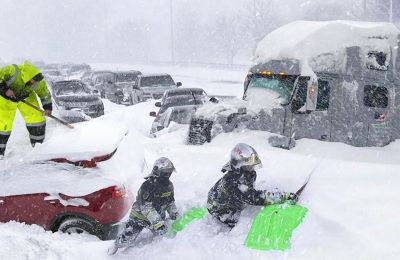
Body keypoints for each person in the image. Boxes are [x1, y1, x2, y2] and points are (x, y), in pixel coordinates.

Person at [207, 143, 298, 229]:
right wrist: (282, 196)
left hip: (232, 202)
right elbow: (254, 198)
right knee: (248, 222)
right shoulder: (233, 182)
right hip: (221, 211)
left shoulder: (245, 173)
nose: (252, 168)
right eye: (249, 166)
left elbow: (250, 194)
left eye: (253, 165)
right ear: (239, 164)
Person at [108, 157, 179, 255]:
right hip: (139, 218)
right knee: (127, 240)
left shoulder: (169, 186)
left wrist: (174, 213)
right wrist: (158, 224)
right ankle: (116, 244)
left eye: (169, 172)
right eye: (165, 173)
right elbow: (146, 207)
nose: (168, 175)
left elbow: (170, 202)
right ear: (158, 172)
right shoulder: (148, 186)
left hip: (157, 218)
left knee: (162, 238)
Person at [0, 61, 52, 158]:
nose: (35, 83)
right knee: (3, 125)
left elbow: (45, 94)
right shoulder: (13, 70)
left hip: (25, 96)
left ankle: (38, 147)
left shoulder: (38, 81)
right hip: (5, 98)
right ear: (28, 77)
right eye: (33, 81)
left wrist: (48, 108)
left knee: (37, 119)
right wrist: (5, 89)